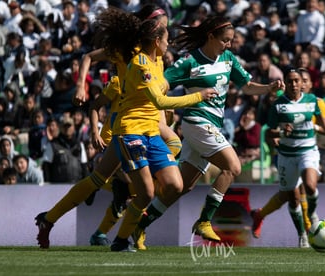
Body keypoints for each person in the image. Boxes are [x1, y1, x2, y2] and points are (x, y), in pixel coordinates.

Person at [34, 6, 214, 249]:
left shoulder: (157, 57)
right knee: (150, 174)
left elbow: (159, 93)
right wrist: (81, 86)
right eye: (163, 26)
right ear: (154, 32)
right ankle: (123, 221)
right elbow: (89, 57)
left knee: (101, 179)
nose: (167, 34)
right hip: (127, 121)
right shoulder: (130, 53)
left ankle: (58, 217)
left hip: (146, 122)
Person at [132, 16, 285, 250]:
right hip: (196, 122)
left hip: (213, 125)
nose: (229, 45)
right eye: (225, 40)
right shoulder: (189, 62)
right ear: (210, 36)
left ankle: (139, 226)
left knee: (181, 187)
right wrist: (168, 105)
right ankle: (204, 220)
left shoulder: (228, 59)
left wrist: (268, 88)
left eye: (231, 41)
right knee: (232, 167)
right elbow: (161, 85)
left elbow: (246, 86)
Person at [107, 17, 216, 252]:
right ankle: (121, 240)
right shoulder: (140, 65)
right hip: (131, 131)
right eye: (167, 41)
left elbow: (163, 88)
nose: (169, 45)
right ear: (157, 41)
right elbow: (159, 100)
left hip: (152, 133)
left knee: (175, 185)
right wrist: (199, 95)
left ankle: (128, 190)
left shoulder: (157, 64)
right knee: (146, 192)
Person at [249, 68, 325, 248]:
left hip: (308, 149)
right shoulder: (279, 104)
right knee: (292, 196)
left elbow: (324, 124)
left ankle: (309, 224)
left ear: (307, 83)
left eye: (302, 80)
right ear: (286, 83)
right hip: (287, 153)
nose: (298, 84)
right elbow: (269, 131)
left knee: (308, 186)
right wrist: (280, 132)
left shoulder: (316, 101)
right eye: (292, 81)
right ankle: (302, 232)